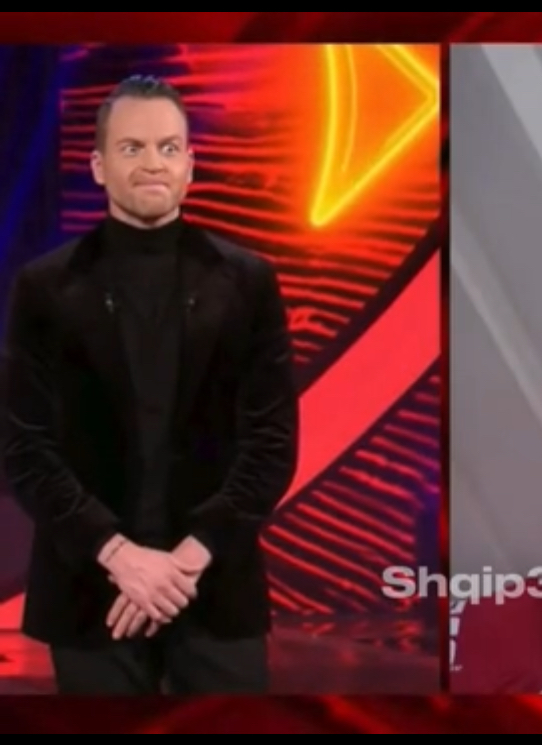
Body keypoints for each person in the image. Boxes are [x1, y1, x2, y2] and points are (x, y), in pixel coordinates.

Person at [2, 75, 298, 693]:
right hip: (90, 592)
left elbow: (272, 443)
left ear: (190, 164)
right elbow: (23, 445)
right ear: (99, 166)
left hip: (214, 588)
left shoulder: (248, 282)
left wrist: (183, 564)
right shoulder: (45, 288)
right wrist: (119, 556)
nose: (152, 163)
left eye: (168, 147)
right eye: (132, 148)